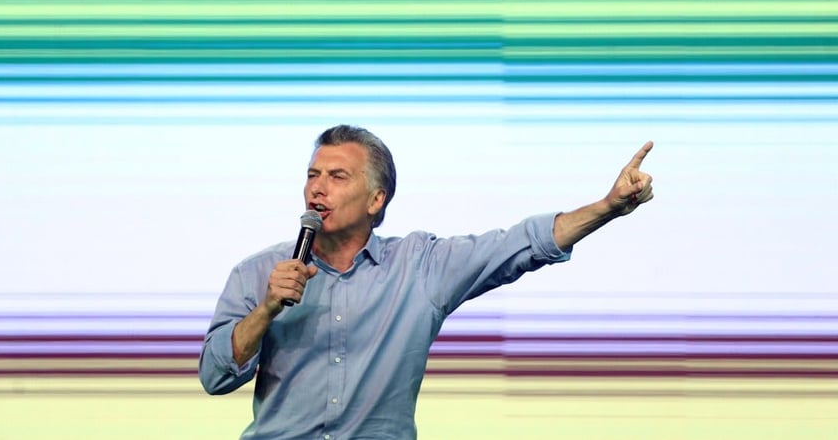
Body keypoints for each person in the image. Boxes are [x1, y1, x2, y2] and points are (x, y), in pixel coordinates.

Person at [199, 124, 654, 439]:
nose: (318, 188)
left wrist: (607, 207)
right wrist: (265, 311)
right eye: (313, 175)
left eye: (337, 177)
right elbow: (215, 377)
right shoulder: (258, 274)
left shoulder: (419, 267)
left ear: (376, 198)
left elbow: (518, 245)